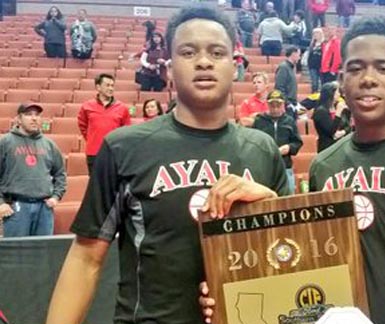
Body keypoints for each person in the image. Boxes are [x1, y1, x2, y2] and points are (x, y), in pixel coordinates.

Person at [200, 16, 385, 324]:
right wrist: (231, 284)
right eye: (356, 68)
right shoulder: (325, 165)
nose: (368, 78)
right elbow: (308, 263)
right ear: (341, 79)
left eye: (383, 68)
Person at [46, 6, 289, 324]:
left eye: (217, 52)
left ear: (234, 66)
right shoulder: (124, 147)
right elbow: (86, 258)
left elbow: (289, 257)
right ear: (170, 67)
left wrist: (269, 204)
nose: (203, 61)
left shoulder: (263, 150)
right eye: (188, 52)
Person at [0, 103, 66, 237]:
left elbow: (60, 174)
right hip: (16, 207)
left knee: (42, 254)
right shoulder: (5, 142)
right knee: (17, 254)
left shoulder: (49, 145)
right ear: (18, 119)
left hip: (44, 209)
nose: (34, 118)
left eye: (37, 115)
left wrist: (56, 196)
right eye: (29, 115)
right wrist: (1, 203)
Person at [77, 74, 131, 174]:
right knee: (95, 186)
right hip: (93, 153)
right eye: (107, 85)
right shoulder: (86, 106)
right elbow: (83, 126)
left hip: (114, 153)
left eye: (112, 85)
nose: (111, 88)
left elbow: (126, 131)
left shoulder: (122, 108)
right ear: (98, 87)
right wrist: (92, 138)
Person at [253, 90, 303, 194]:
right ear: (268, 105)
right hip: (265, 168)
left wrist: (289, 148)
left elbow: (297, 142)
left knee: (288, 200)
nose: (275, 108)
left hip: (285, 166)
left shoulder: (289, 121)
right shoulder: (259, 121)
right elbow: (253, 142)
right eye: (272, 105)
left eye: (278, 105)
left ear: (283, 105)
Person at [312, 82, 351, 152]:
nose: (339, 94)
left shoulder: (338, 107)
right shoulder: (321, 111)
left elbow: (348, 126)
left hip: (341, 145)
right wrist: (338, 113)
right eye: (337, 92)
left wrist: (343, 132)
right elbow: (331, 131)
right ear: (331, 94)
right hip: (327, 147)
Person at [274, 45, 301, 115]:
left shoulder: (290, 68)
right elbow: (279, 88)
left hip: (291, 104)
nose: (299, 57)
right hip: (287, 105)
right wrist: (287, 103)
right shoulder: (284, 67)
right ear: (293, 54)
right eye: (298, 54)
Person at [307, 28, 325, 93]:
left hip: (321, 66)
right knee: (314, 84)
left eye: (317, 33)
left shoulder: (324, 43)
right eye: (314, 34)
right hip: (312, 66)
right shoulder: (312, 44)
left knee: (323, 83)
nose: (315, 35)